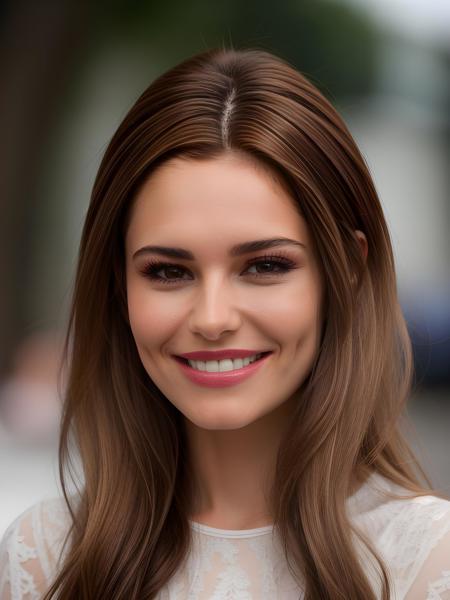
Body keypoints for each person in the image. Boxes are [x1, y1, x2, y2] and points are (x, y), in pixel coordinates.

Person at [0, 46, 449, 600]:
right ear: (119, 284)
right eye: (167, 271)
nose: (212, 319)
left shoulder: (426, 561)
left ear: (348, 273)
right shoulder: (43, 557)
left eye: (265, 266)